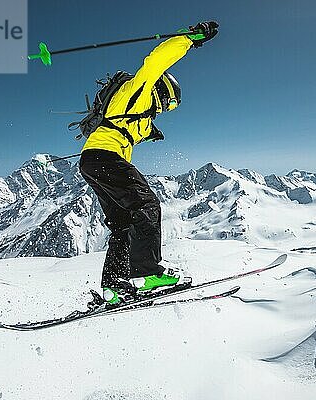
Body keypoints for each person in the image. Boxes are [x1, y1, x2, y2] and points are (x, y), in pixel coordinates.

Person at [79, 21, 219, 306]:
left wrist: (148, 132)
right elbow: (156, 60)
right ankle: (148, 273)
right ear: (161, 90)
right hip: (106, 158)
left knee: (123, 224)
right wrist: (189, 39)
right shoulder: (139, 88)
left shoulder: (131, 108)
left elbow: (129, 125)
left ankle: (115, 286)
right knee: (147, 205)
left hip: (92, 160)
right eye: (167, 103)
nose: (163, 110)